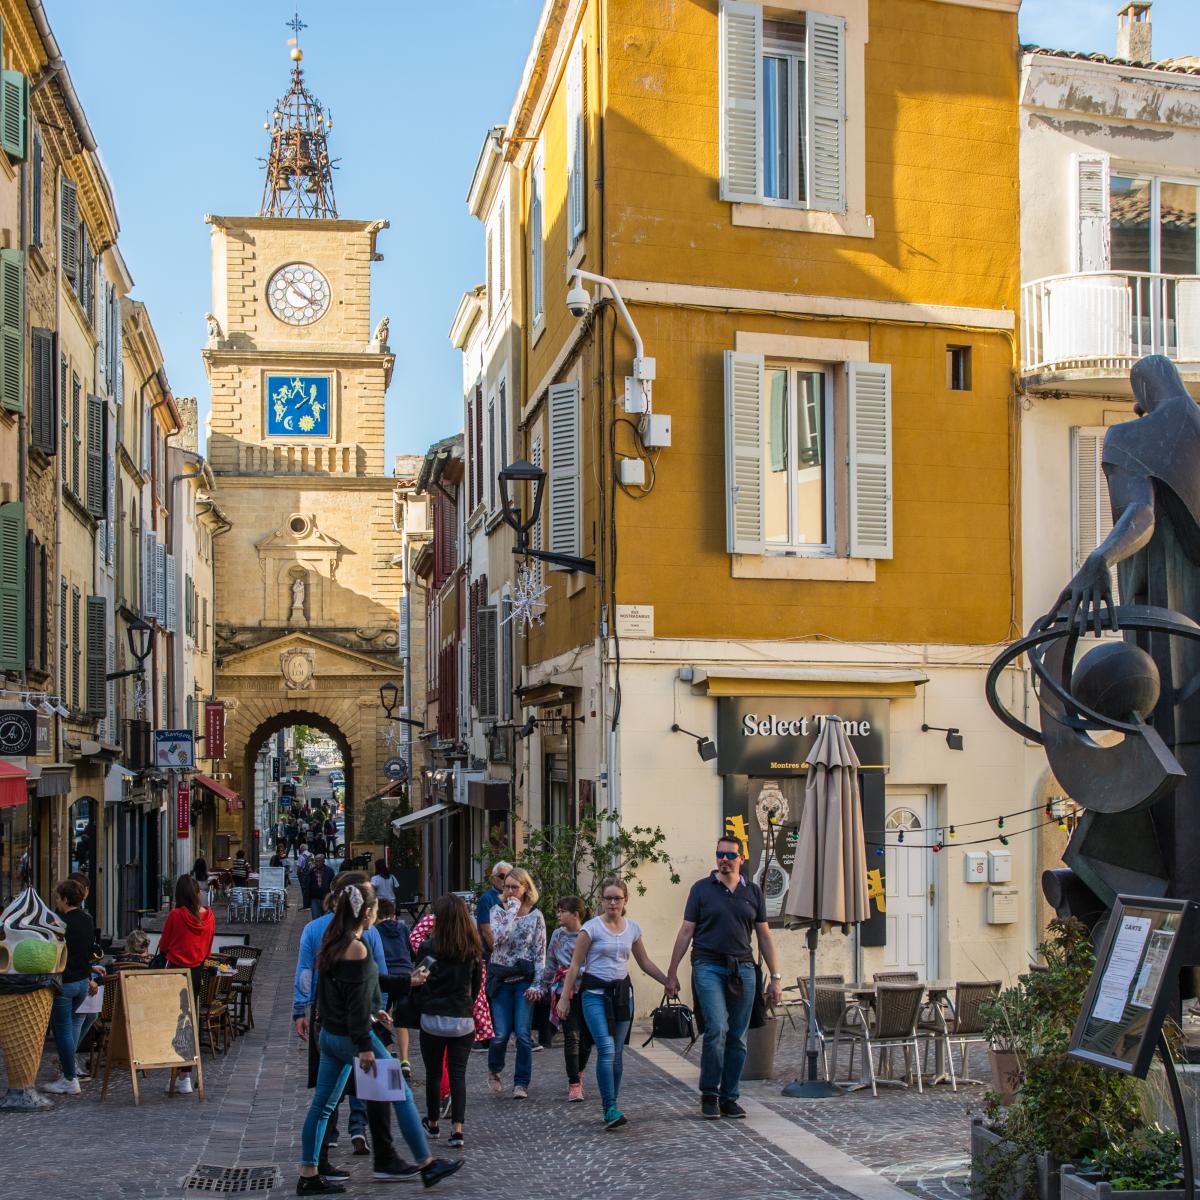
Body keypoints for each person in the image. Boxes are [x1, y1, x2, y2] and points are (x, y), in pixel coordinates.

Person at [296, 881, 462, 1195]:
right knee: (402, 1096)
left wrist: (405, 983)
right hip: (353, 1039)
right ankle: (427, 1165)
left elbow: (359, 986)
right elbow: (357, 1002)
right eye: (374, 910)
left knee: (323, 1105)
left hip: (330, 1036)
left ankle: (308, 1173)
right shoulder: (357, 947)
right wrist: (364, 1046)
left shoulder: (335, 940)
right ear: (368, 912)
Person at [666, 837, 783, 1120]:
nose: (724, 859)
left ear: (741, 858)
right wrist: (671, 972)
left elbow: (764, 936)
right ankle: (710, 1094)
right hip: (708, 965)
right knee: (717, 1027)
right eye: (720, 854)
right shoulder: (701, 890)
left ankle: (730, 1097)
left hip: (743, 968)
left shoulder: (753, 892)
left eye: (730, 854)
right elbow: (685, 932)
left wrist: (776, 977)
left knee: (738, 1037)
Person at [557, 879, 670, 1129]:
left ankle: (613, 1104)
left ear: (625, 901)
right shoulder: (591, 928)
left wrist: (667, 980)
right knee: (606, 1048)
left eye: (617, 898)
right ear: (601, 901)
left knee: (617, 1054)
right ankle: (609, 1107)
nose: (612, 903)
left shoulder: (633, 928)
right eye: (608, 898)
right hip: (594, 995)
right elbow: (575, 965)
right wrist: (565, 998)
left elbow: (644, 962)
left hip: (621, 996)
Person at [410, 894, 482, 1149]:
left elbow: (418, 982)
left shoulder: (429, 948)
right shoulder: (471, 949)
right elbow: (475, 987)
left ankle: (432, 1123)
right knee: (458, 1075)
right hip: (462, 1020)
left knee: (433, 1073)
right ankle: (458, 1130)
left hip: (433, 1018)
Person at [485, 866, 545, 1099]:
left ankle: (521, 1083)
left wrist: (537, 985)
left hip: (523, 980)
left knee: (522, 1033)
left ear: (525, 888)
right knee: (500, 1033)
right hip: (501, 979)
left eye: (514, 887)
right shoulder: (497, 911)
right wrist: (511, 911)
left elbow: (539, 952)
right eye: (506, 886)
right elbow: (498, 939)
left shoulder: (536, 916)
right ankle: (494, 1069)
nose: (509, 891)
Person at [159, 874, 216, 1096]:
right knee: (189, 1021)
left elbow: (164, 945)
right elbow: (208, 948)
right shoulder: (209, 917)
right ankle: (185, 1074)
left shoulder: (175, 916)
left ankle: (179, 1074)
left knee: (175, 1022)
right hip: (197, 972)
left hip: (175, 972)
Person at [44, 879, 103, 1095]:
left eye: (58, 898)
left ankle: (69, 1078)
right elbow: (89, 952)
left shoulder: (60, 923)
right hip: (82, 982)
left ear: (66, 899)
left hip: (65, 983)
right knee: (71, 1027)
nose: (56, 902)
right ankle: (68, 1071)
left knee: (63, 1031)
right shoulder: (87, 920)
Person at [540, 897, 591, 1101]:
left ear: (576, 915)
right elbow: (551, 961)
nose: (558, 915)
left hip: (585, 990)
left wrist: (577, 971)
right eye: (558, 910)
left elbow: (593, 962)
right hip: (564, 992)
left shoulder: (588, 934)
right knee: (572, 1036)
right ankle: (574, 1083)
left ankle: (579, 1071)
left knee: (586, 1038)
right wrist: (542, 985)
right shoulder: (557, 935)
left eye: (562, 911)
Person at [375, 899, 413, 1083]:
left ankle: (388, 1060)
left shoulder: (375, 930)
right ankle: (405, 1060)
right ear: (393, 914)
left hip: (386, 976)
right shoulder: (403, 928)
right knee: (402, 1019)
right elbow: (409, 949)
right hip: (405, 975)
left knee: (383, 1018)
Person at [475, 861, 511, 958]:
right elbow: (486, 931)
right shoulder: (486, 899)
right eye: (503, 876)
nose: (506, 880)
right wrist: (499, 955)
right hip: (493, 955)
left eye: (509, 876)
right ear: (493, 878)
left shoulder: (514, 898)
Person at [305, 855, 332, 921]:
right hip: (315, 898)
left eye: (319, 861)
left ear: (323, 861)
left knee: (326, 918)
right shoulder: (311, 871)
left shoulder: (329, 871)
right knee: (315, 918)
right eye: (316, 861)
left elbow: (333, 884)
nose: (317, 863)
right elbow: (307, 884)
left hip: (326, 898)